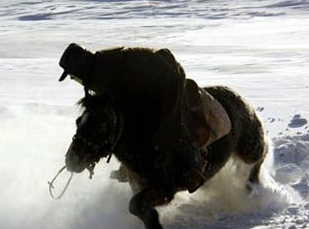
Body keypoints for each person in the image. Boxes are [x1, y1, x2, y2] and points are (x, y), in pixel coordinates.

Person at [57, 43, 206, 192]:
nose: (73, 79)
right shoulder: (96, 72)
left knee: (167, 127)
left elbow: (124, 101)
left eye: (73, 75)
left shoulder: (105, 72)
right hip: (145, 91)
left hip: (168, 80)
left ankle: (191, 170)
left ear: (80, 67)